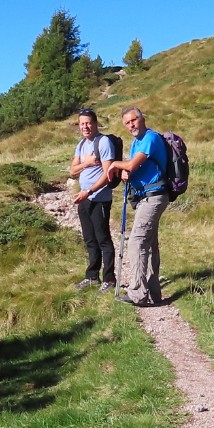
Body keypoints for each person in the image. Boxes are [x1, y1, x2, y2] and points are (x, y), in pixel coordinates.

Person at [105, 106, 170, 307]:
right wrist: (126, 174)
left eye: (134, 120)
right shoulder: (136, 143)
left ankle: (138, 294)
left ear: (142, 119)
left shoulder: (150, 138)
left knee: (136, 243)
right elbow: (133, 168)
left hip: (154, 196)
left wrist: (117, 165)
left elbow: (132, 164)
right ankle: (153, 293)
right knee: (149, 245)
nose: (131, 124)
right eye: (127, 122)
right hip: (146, 197)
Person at [69, 108, 117, 293]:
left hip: (99, 198)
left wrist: (88, 191)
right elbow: (72, 171)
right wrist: (87, 163)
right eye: (82, 124)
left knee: (103, 238)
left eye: (88, 123)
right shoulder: (81, 145)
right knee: (90, 239)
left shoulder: (103, 142)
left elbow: (108, 174)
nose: (85, 127)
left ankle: (109, 279)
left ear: (95, 123)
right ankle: (92, 277)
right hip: (84, 197)